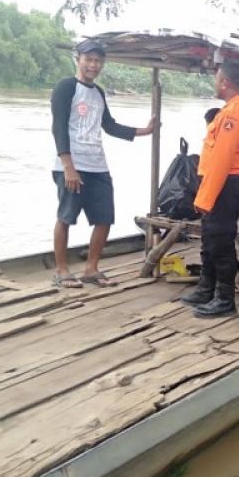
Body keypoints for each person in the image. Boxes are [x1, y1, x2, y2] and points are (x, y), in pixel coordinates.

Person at [51, 39, 157, 289]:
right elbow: (58, 128)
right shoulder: (66, 87)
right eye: (88, 59)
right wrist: (68, 166)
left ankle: (91, 269)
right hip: (71, 165)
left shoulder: (98, 92)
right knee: (66, 217)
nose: (93, 65)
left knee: (105, 217)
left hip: (98, 165)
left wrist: (145, 130)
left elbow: (109, 125)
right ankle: (62, 271)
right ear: (77, 60)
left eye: (98, 61)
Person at [180, 62, 239, 317]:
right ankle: (207, 288)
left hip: (226, 185)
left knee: (221, 241)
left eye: (217, 79)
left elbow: (222, 159)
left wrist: (205, 198)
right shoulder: (233, 109)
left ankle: (225, 299)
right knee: (210, 238)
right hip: (221, 184)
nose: (214, 84)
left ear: (225, 83)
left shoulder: (236, 112)